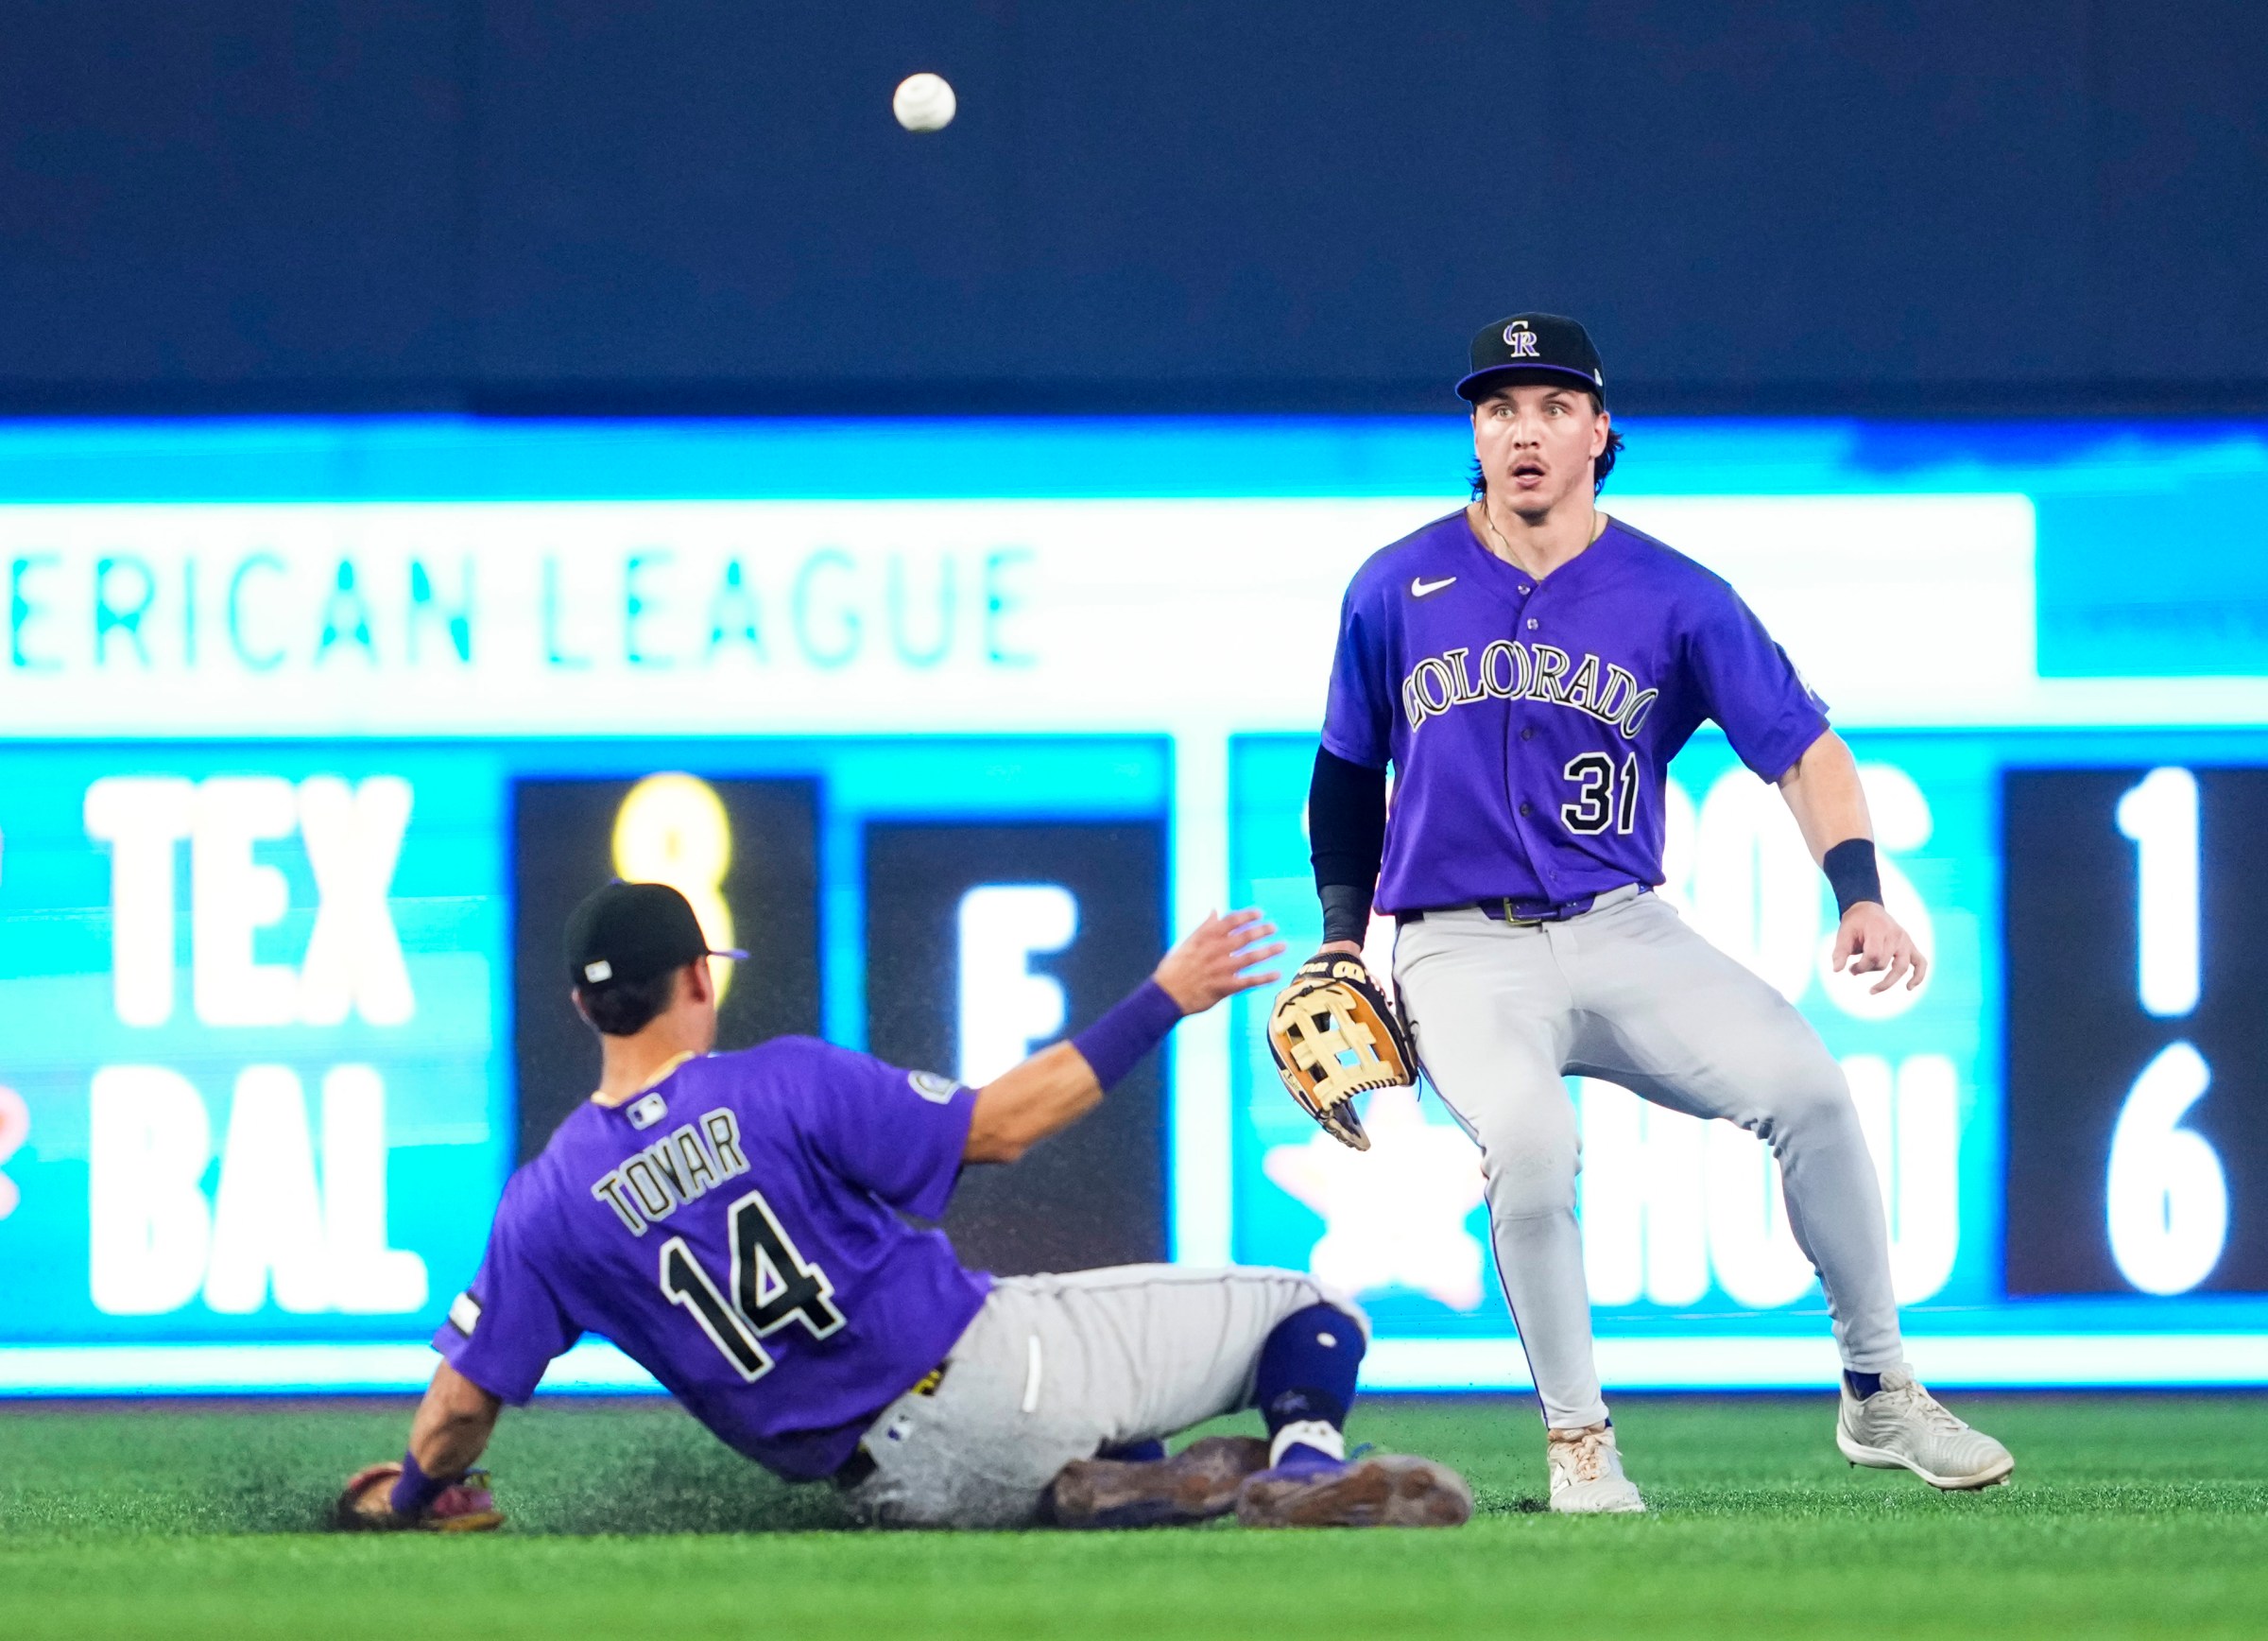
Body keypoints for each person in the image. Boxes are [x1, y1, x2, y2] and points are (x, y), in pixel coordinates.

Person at [1303, 312, 2014, 1512]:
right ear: (1475, 437)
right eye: (1498, 408)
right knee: (1529, 1149)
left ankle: (1881, 1390)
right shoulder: (1395, 585)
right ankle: (1580, 1442)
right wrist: (1341, 936)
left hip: (1624, 927)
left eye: (1551, 406)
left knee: (1812, 1092)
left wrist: (1859, 893)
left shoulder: (1675, 595)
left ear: (1600, 431)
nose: (1523, 430)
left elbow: (1806, 750)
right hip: (1458, 944)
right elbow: (1342, 773)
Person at [336, 879, 1471, 1532]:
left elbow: (456, 1407)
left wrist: (420, 1490)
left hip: (895, 1488)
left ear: (584, 1008)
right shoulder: (777, 1082)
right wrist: (1161, 999)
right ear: (695, 977)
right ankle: (1311, 1461)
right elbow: (1001, 1127)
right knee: (1307, 1308)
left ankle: (1118, 1478)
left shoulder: (544, 1205)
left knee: (1107, 1412)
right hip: (986, 1369)